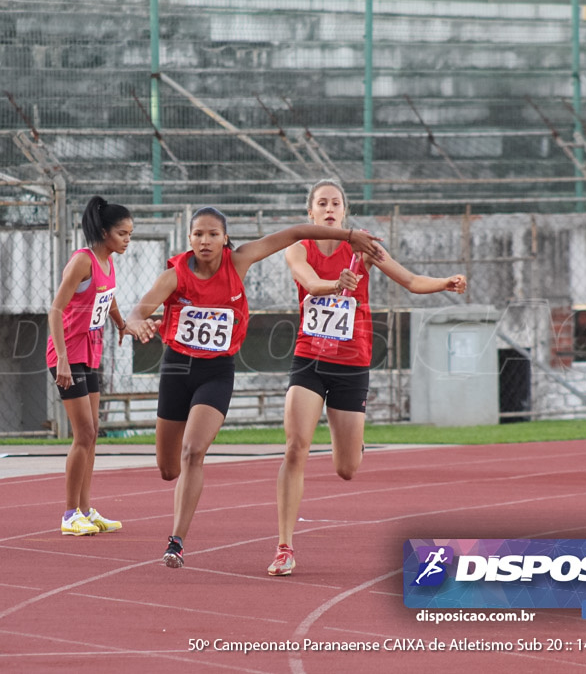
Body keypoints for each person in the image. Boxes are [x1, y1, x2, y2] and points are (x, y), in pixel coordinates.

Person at [124, 206, 383, 568]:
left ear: (225, 239)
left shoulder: (239, 261)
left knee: (193, 451)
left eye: (213, 234)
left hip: (216, 371)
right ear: (189, 239)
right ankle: (178, 506)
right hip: (177, 369)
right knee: (168, 468)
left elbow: (293, 234)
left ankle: (176, 542)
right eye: (198, 234)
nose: (205, 241)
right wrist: (136, 323)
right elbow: (140, 310)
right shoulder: (175, 275)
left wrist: (348, 236)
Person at [267, 179, 467, 576]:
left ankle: (355, 443)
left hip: (352, 362)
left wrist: (444, 283)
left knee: (346, 468)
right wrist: (333, 285)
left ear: (344, 211)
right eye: (321, 203)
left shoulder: (364, 247)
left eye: (335, 203)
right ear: (310, 212)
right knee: (295, 448)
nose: (328, 209)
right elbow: (308, 281)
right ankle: (284, 545)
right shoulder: (297, 247)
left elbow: (409, 280)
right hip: (310, 358)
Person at [48, 196, 148, 537]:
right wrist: (61, 357)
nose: (127, 239)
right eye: (122, 233)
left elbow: (109, 296)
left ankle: (87, 510)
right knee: (84, 434)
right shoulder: (82, 261)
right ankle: (68, 513)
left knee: (92, 436)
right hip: (67, 354)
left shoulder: (108, 262)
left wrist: (121, 323)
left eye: (130, 234)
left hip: (91, 353)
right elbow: (56, 310)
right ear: (104, 232)